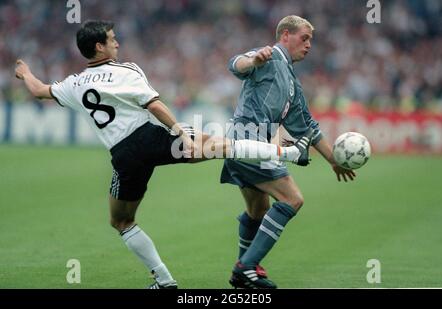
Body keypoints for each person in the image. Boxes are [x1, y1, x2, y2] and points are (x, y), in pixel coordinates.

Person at [14, 20, 313, 289]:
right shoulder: (126, 70)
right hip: (150, 138)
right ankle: (287, 152)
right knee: (218, 144)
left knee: (122, 221)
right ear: (99, 46)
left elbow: (39, 90)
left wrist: (25, 72)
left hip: (123, 154)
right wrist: (182, 132)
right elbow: (153, 105)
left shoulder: (73, 84)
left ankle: (164, 281)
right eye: (112, 39)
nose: (118, 42)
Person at [221, 15, 356, 289]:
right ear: (285, 35)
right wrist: (254, 60)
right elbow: (236, 64)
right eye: (304, 38)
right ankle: (246, 266)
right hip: (250, 143)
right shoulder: (268, 56)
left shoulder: (292, 83)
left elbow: (309, 128)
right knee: (293, 199)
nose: (308, 45)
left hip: (244, 147)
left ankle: (244, 272)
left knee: (258, 210)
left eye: (310, 41)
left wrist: (334, 161)